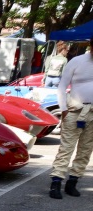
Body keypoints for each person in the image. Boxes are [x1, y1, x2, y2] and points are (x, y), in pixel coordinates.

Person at [49, 37, 93, 199]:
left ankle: (73, 181)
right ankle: (56, 182)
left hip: (92, 113)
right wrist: (63, 109)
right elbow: (62, 85)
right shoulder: (76, 61)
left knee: (85, 150)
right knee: (66, 148)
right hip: (75, 110)